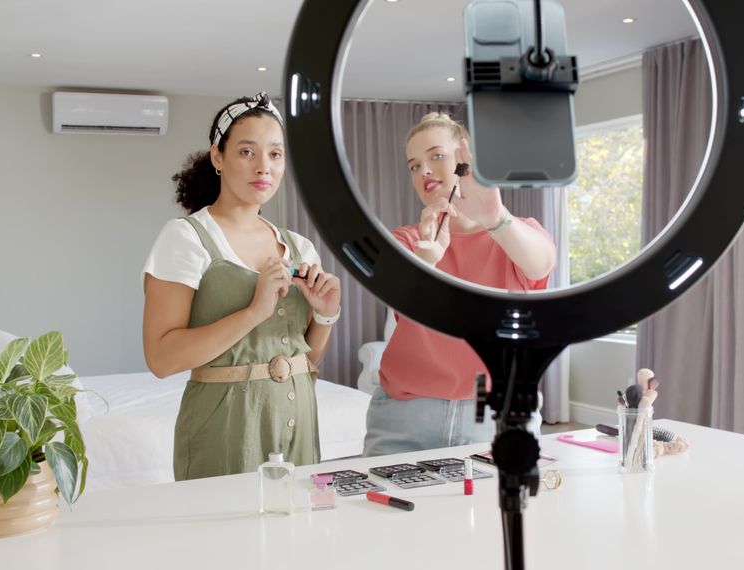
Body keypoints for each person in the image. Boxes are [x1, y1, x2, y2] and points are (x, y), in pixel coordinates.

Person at [142, 92, 341, 479]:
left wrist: (326, 314)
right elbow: (161, 359)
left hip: (299, 420)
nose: (263, 167)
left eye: (275, 154)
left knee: (300, 538)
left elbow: (308, 359)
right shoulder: (184, 238)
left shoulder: (299, 247)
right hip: (226, 427)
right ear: (218, 157)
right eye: (247, 152)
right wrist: (253, 312)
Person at [363, 112, 556, 456]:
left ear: (467, 161)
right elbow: (400, 299)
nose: (423, 171)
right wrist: (427, 262)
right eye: (413, 165)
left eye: (436, 156)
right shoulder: (405, 241)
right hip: (404, 417)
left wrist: (496, 219)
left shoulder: (518, 232)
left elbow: (541, 263)